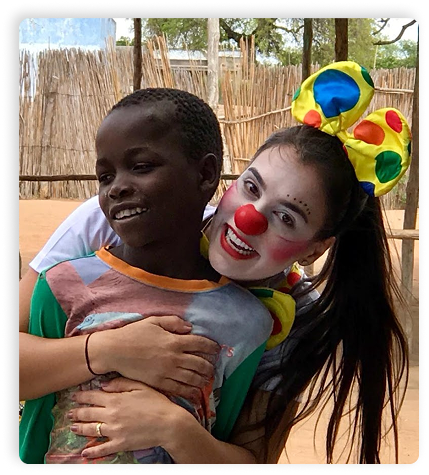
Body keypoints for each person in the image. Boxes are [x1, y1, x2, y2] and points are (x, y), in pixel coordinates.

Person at [19, 61, 411, 464]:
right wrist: (107, 349)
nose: (249, 218)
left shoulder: (287, 321)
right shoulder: (115, 219)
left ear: (313, 251)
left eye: (286, 217)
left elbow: (255, 454)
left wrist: (173, 427)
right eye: (251, 187)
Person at [20, 87, 295, 464]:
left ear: (206, 173)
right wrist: (104, 350)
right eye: (105, 176)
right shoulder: (64, 285)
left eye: (142, 166)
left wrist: (176, 429)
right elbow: (37, 422)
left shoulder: (247, 322)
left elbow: (233, 440)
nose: (117, 188)